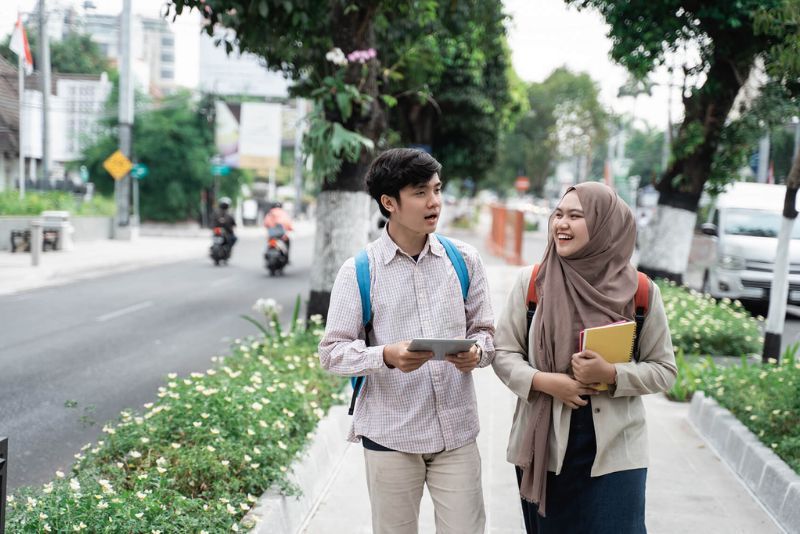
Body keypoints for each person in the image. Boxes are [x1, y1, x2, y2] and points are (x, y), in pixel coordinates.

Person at [318, 148, 495, 534]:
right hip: (391, 435)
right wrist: (386, 355)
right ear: (389, 203)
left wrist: (477, 354)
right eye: (419, 192)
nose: (434, 202)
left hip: (457, 433)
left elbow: (486, 333)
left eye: (436, 189)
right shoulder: (359, 272)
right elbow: (331, 354)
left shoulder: (463, 260)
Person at [492, 182, 677, 533]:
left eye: (576, 216)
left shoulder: (640, 292)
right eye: (558, 214)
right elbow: (504, 354)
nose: (561, 223)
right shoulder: (533, 283)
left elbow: (664, 369)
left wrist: (612, 373)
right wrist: (548, 383)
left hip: (616, 449)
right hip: (545, 445)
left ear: (605, 225)